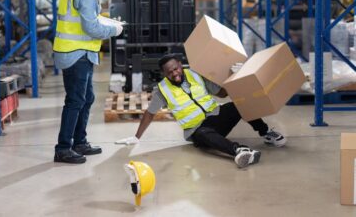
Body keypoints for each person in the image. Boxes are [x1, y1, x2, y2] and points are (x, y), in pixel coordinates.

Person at [116, 54, 287, 168]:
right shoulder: (162, 90)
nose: (175, 73)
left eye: (176, 68)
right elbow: (150, 113)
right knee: (204, 133)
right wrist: (136, 137)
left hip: (216, 117)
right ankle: (239, 151)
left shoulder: (195, 75)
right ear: (164, 74)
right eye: (170, 72)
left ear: (180, 66)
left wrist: (234, 75)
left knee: (239, 103)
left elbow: (223, 93)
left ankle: (266, 133)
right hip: (196, 129)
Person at [53, 0, 124, 164]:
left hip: (76, 52)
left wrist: (107, 21)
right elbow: (91, 27)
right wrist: (114, 30)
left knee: (87, 98)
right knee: (75, 100)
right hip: (76, 54)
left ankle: (80, 142)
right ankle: (63, 148)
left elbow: (86, 19)